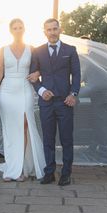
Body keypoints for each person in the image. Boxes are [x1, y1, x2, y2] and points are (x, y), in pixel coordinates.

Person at [0, 19, 45, 181]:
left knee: (25, 124)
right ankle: (13, 168)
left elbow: (39, 68)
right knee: (10, 128)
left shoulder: (31, 49)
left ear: (24, 29)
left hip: (25, 89)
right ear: (10, 30)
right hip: (7, 90)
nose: (18, 30)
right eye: (15, 28)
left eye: (20, 27)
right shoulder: (3, 49)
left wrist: (37, 73)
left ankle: (22, 167)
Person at [28, 18, 81, 186]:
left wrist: (73, 94)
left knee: (66, 139)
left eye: (55, 29)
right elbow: (33, 77)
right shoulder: (37, 52)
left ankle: (66, 173)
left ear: (60, 30)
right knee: (48, 140)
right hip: (46, 103)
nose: (52, 32)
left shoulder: (70, 50)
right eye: (49, 29)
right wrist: (42, 91)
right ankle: (49, 172)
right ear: (45, 32)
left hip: (65, 102)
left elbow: (77, 75)